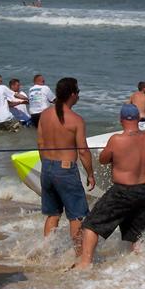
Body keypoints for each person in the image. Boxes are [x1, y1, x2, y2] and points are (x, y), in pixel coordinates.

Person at [74, 104, 145, 268]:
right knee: (134, 233)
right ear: (138, 119)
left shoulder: (116, 139)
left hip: (123, 191)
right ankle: (141, 265)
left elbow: (103, 159)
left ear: (121, 120)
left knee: (91, 225)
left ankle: (85, 264)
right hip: (143, 190)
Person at [37, 77, 95, 256]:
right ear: (72, 94)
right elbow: (83, 151)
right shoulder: (76, 119)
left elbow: (40, 143)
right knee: (76, 215)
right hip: (65, 170)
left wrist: (48, 164)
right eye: (78, 92)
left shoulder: (45, 114)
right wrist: (90, 174)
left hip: (46, 167)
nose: (78, 96)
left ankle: (47, 253)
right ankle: (80, 256)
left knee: (53, 214)